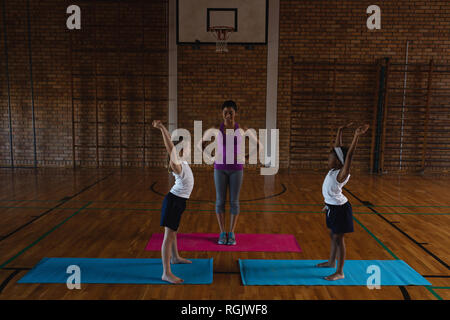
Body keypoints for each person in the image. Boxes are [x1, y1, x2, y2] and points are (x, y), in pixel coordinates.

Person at [198, 100, 261, 245]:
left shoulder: (242, 129)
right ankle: (222, 232)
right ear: (222, 113)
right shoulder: (216, 128)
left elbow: (257, 145)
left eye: (230, 112)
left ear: (235, 113)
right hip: (219, 169)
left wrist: (246, 157)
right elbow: (201, 144)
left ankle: (231, 233)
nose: (228, 115)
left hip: (236, 170)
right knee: (220, 201)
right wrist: (211, 156)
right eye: (225, 112)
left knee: (234, 201)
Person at [316, 122, 369, 280]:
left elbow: (349, 157)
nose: (328, 160)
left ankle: (340, 271)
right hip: (332, 208)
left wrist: (356, 137)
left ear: (339, 162)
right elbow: (338, 148)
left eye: (330, 159)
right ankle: (331, 262)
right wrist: (339, 130)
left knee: (339, 239)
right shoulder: (334, 170)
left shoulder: (341, 174)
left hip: (340, 210)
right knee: (333, 236)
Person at [152, 120, 194, 284]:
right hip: (173, 202)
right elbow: (170, 147)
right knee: (168, 236)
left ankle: (175, 257)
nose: (190, 149)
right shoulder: (177, 165)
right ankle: (166, 272)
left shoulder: (183, 162)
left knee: (173, 231)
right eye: (187, 146)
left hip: (179, 202)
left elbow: (173, 147)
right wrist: (162, 128)